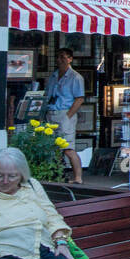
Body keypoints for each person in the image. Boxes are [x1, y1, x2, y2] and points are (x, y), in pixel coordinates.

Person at [44, 48, 84, 184]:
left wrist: (68, 115)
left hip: (65, 113)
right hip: (51, 113)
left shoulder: (76, 77)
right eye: (58, 57)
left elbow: (79, 98)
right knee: (52, 147)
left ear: (70, 59)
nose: (60, 60)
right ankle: (56, 174)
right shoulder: (53, 76)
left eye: (63, 57)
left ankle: (78, 177)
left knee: (67, 148)